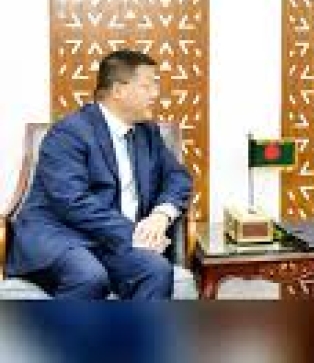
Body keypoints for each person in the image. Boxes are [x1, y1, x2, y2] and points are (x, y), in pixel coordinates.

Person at [8, 50, 192, 299]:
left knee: (156, 270)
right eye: (148, 86)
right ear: (118, 91)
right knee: (89, 276)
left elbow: (178, 177)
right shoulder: (68, 133)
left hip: (111, 242)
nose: (155, 94)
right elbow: (71, 202)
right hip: (63, 236)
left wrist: (161, 215)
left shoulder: (147, 132)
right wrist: (137, 233)